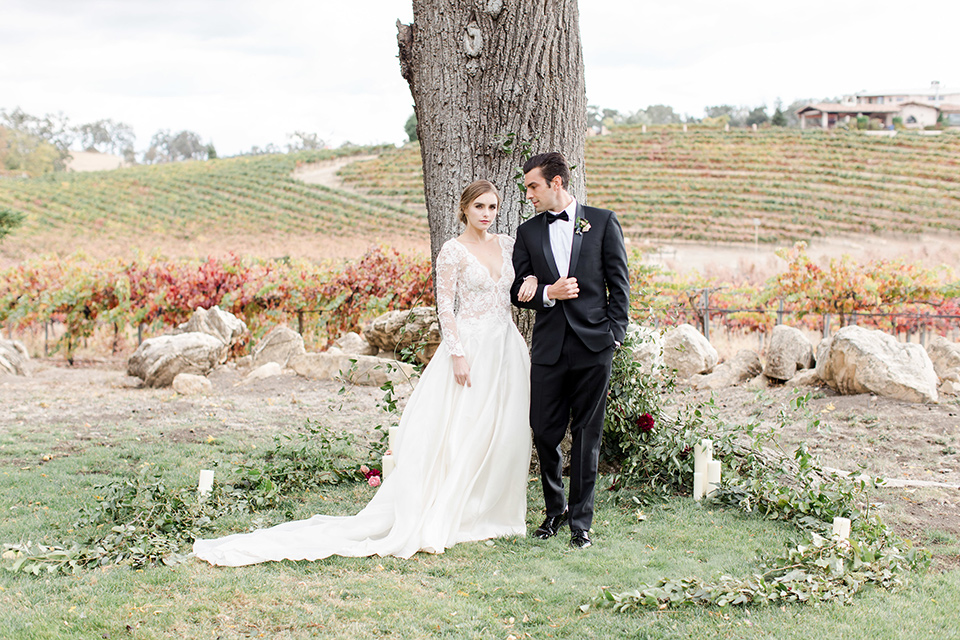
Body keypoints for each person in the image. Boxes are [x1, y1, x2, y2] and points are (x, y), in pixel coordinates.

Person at [193, 180, 536, 565]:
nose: (487, 214)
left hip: (505, 348)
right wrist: (456, 354)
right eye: (479, 207)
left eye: (492, 207)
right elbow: (445, 306)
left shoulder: (507, 245)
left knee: (502, 429)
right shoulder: (452, 251)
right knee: (463, 429)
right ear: (465, 210)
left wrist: (535, 280)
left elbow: (526, 277)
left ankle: (492, 512)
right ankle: (453, 510)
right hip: (470, 348)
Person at [510, 152, 630, 549]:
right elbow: (517, 291)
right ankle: (555, 509)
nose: (529, 194)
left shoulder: (602, 222)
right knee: (544, 431)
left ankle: (581, 522)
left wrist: (614, 334)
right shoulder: (527, 233)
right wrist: (547, 292)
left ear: (556, 183)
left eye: (533, 186)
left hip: (595, 346)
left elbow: (619, 284)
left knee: (586, 435)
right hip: (549, 348)